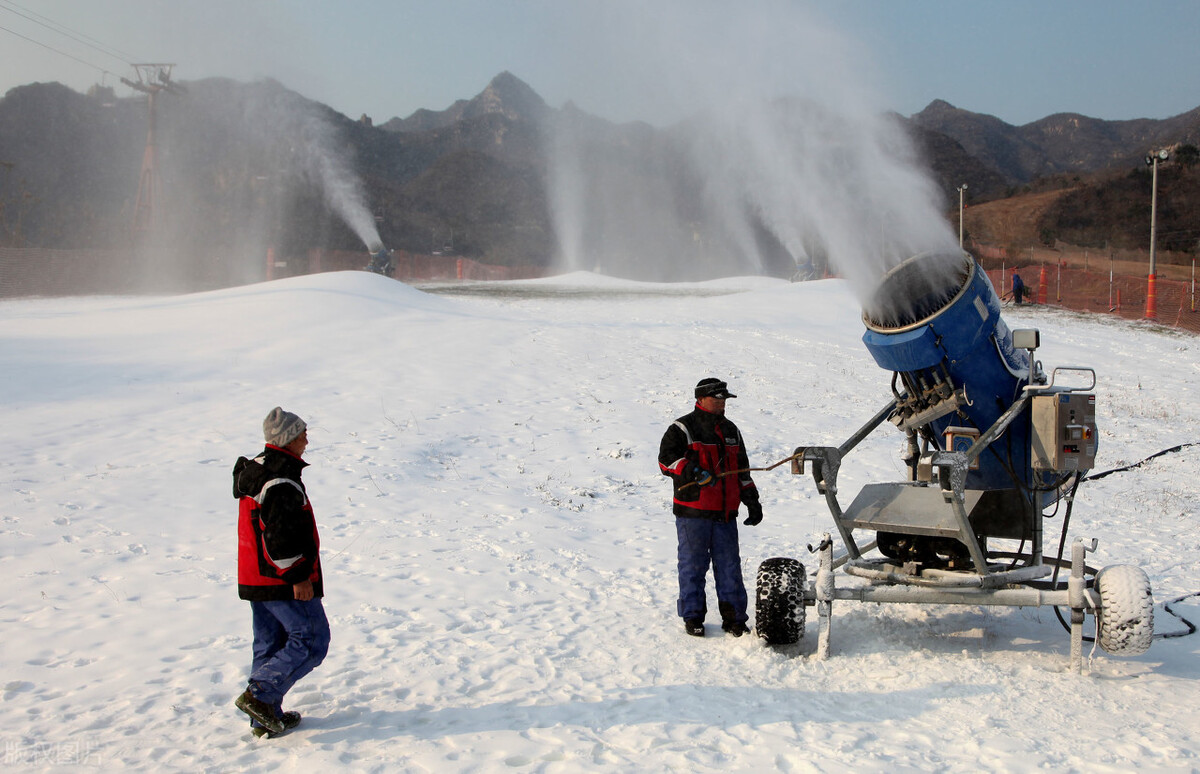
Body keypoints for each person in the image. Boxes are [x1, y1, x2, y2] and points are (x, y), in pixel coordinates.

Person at [232, 407, 330, 738]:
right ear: (287, 439)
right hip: (280, 580)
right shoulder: (280, 480)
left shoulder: (259, 469)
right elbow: (280, 538)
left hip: (256, 576)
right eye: (301, 433)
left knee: (270, 644)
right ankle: (258, 696)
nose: (306, 438)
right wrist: (299, 577)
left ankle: (264, 718)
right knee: (312, 640)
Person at [658, 378, 763, 637]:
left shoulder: (731, 430)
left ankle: (735, 619)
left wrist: (751, 499)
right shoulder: (683, 427)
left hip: (725, 515)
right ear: (701, 399)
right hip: (693, 513)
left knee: (730, 567)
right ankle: (692, 616)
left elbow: (743, 470)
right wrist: (693, 470)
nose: (721, 403)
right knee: (693, 566)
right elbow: (666, 461)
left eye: (724, 399)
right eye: (716, 399)